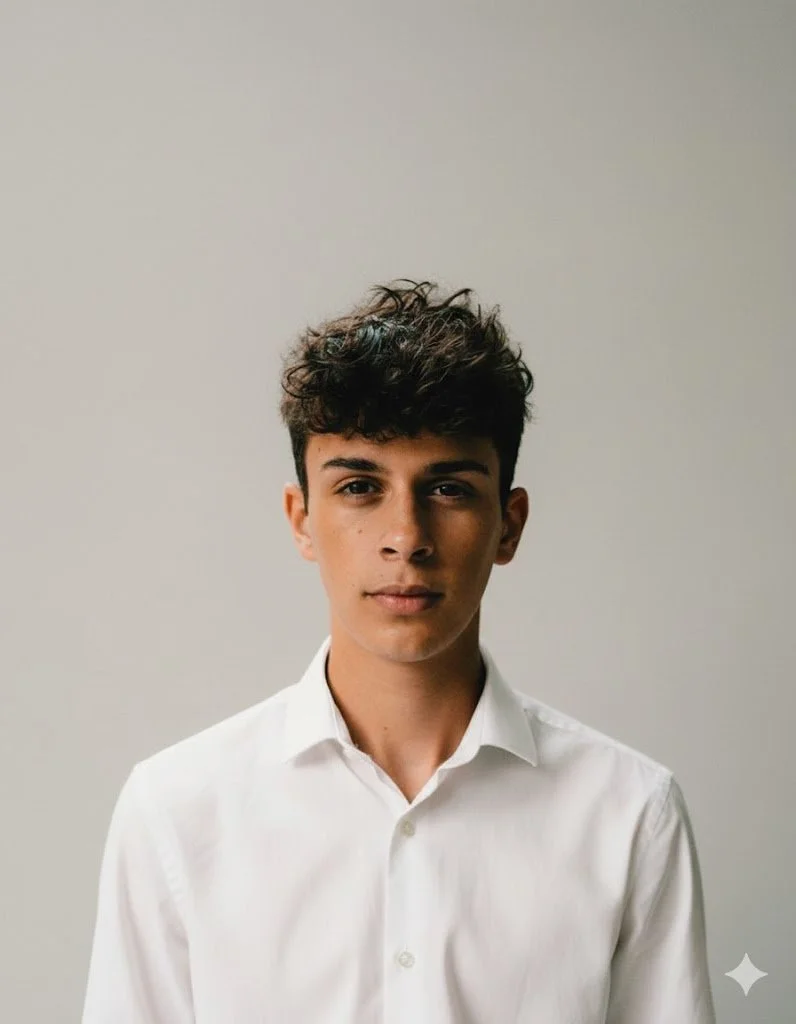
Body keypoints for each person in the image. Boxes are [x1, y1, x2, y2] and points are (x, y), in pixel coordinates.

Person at [81, 279, 717, 1022]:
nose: (405, 537)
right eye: (358, 486)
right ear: (301, 519)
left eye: (447, 488)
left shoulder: (629, 814)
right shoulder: (178, 811)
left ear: (508, 525)